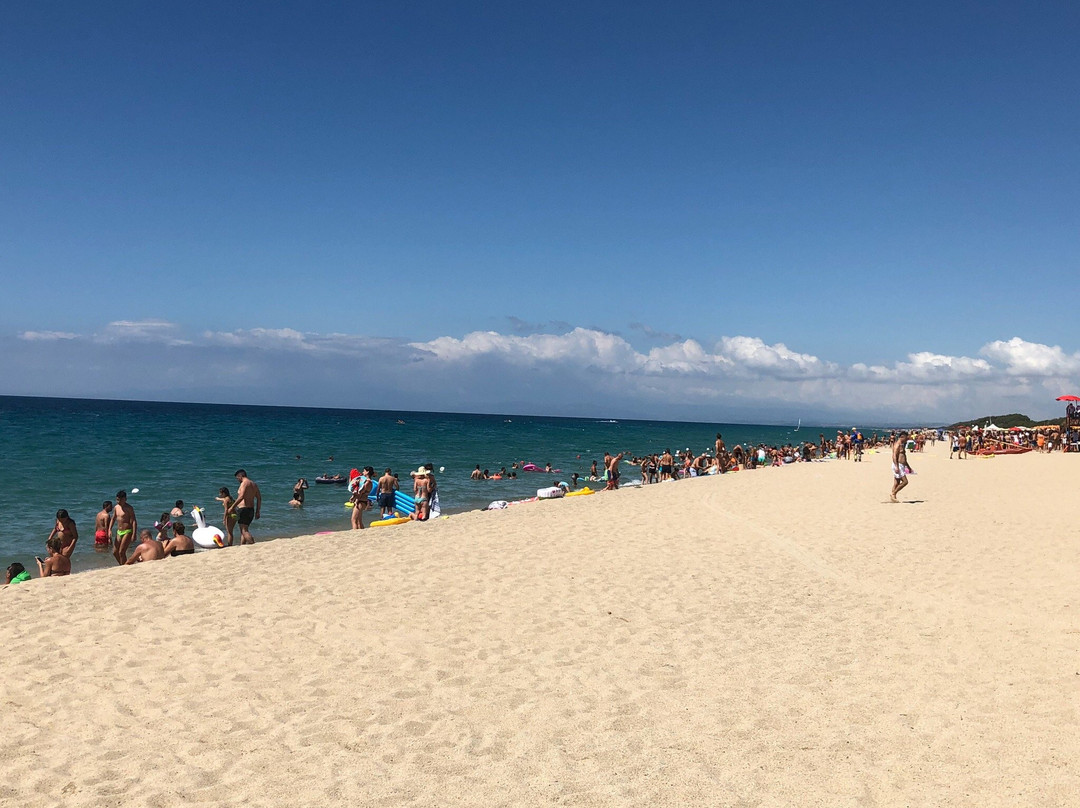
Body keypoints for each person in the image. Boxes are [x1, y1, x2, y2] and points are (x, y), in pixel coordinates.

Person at [230, 470, 261, 545]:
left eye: (237, 478)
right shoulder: (254, 484)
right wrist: (257, 511)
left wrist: (231, 507)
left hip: (243, 509)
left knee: (244, 531)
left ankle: (252, 544)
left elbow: (241, 497)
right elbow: (259, 498)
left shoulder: (244, 483)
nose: (238, 480)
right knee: (244, 529)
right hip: (251, 510)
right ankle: (243, 546)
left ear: (240, 476)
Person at [110, 490, 138, 565]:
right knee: (115, 552)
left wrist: (134, 534)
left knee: (121, 552)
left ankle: (125, 567)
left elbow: (134, 521)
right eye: (117, 499)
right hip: (119, 531)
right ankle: (123, 565)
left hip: (127, 531)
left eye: (119, 500)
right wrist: (109, 529)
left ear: (125, 499)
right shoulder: (116, 507)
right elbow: (113, 518)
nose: (118, 501)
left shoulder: (129, 508)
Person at [891, 432, 913, 503]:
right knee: (905, 482)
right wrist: (896, 467)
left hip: (902, 465)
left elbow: (903, 457)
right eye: (906, 438)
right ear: (902, 437)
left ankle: (893, 497)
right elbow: (894, 456)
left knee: (897, 482)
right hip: (898, 465)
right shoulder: (897, 445)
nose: (907, 440)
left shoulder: (902, 445)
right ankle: (894, 493)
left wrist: (908, 467)